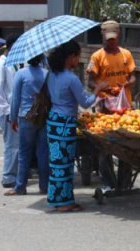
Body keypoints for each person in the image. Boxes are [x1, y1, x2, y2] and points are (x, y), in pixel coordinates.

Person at [46, 40, 108, 212]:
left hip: (53, 122)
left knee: (56, 164)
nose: (78, 60)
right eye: (78, 56)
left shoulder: (51, 75)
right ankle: (65, 203)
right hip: (65, 124)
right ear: (71, 57)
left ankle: (57, 199)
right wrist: (98, 89)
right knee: (65, 165)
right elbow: (86, 102)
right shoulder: (71, 79)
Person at [86, 20, 136, 192]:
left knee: (126, 146)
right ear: (103, 37)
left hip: (124, 107)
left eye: (114, 39)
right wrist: (104, 88)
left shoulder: (126, 54)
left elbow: (133, 77)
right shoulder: (96, 57)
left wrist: (126, 85)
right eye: (108, 39)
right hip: (105, 108)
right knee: (106, 147)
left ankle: (125, 183)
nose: (111, 42)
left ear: (119, 36)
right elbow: (90, 81)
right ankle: (108, 182)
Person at [3, 54, 48, 196]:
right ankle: (44, 186)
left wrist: (13, 118)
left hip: (26, 116)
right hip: (43, 116)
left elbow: (15, 98)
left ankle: (20, 186)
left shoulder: (21, 74)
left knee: (24, 152)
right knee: (43, 152)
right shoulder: (47, 74)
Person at [0, 35, 20, 188]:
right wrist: (8, 112)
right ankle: (8, 177)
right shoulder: (1, 64)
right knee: (12, 144)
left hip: (13, 110)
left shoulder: (13, 63)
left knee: (15, 143)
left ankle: (14, 173)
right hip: (7, 111)